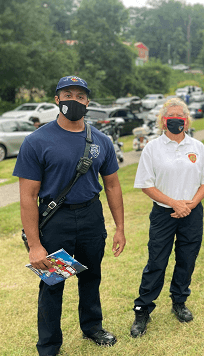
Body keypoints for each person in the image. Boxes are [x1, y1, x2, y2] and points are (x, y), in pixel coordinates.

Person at [13, 75, 126, 356]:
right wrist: (36, 245)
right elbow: (27, 196)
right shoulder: (36, 141)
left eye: (79, 96)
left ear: (87, 101)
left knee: (91, 277)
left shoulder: (101, 140)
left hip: (91, 217)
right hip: (55, 221)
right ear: (57, 99)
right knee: (52, 284)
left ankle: (92, 327)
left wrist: (120, 227)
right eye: (67, 95)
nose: (73, 100)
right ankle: (49, 345)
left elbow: (112, 184)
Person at [130, 97, 204, 338]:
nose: (176, 120)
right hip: (163, 213)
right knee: (157, 261)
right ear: (163, 121)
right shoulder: (152, 148)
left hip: (192, 211)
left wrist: (190, 205)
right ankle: (142, 309)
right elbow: (146, 185)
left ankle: (179, 301)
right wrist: (174, 203)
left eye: (181, 117)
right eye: (171, 117)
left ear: (186, 121)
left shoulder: (198, 147)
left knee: (186, 259)